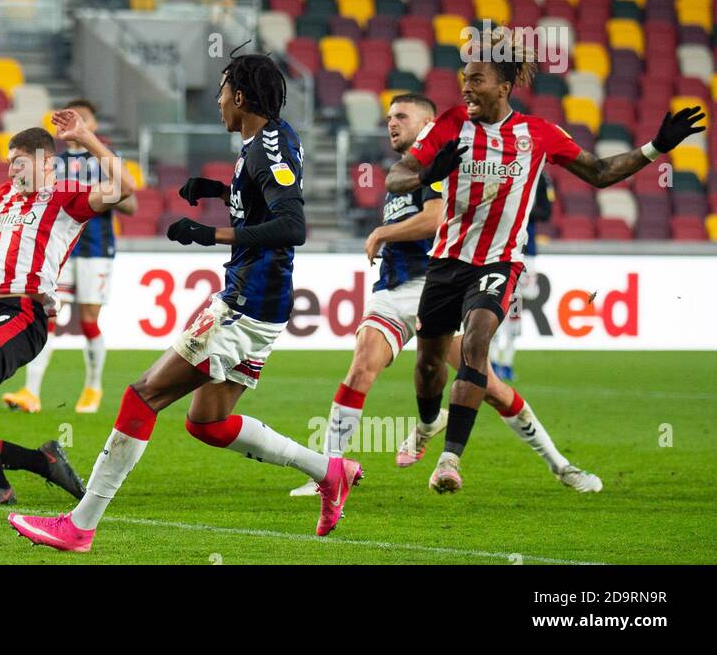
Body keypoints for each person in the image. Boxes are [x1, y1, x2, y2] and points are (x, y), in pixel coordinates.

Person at [9, 53, 359, 555]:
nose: (218, 102)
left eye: (221, 91)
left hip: (246, 302)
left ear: (240, 96)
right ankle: (328, 471)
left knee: (142, 395)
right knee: (208, 422)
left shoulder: (267, 150)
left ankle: (80, 526)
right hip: (260, 302)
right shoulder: (268, 140)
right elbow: (268, 196)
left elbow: (293, 226)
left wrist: (208, 232)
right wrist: (219, 190)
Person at [385, 26, 704, 492]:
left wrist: (656, 148)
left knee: (476, 346)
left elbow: (598, 172)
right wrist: (424, 173)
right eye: (464, 78)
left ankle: (449, 460)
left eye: (476, 79)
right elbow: (398, 174)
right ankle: (429, 422)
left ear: (503, 86)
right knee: (430, 364)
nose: (466, 87)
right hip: (447, 260)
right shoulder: (451, 124)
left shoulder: (538, 134)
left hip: (500, 262)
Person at [287, 94, 600, 497]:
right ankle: (328, 474)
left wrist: (383, 232)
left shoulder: (443, 164)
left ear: (430, 123)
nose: (392, 123)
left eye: (402, 116)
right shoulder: (406, 172)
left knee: (491, 388)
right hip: (393, 289)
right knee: (361, 366)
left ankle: (561, 465)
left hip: (439, 285)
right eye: (388, 118)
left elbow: (435, 217)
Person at [0, 111, 136, 506]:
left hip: (22, 313)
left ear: (46, 162)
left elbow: (127, 187)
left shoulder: (67, 197)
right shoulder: (3, 196)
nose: (11, 168)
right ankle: (43, 461)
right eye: (9, 161)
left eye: (19, 161)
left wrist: (85, 138)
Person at [2, 98, 136, 415]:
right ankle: (31, 391)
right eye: (69, 118)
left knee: (88, 320)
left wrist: (100, 193)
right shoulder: (54, 164)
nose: (75, 123)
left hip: (96, 249)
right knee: (46, 316)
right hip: (58, 249)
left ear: (94, 126)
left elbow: (132, 206)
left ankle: (93, 387)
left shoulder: (105, 160)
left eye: (83, 118)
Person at [489, 174, 550, 381]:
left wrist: (521, 209)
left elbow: (546, 211)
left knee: (516, 303)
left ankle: (507, 360)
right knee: (496, 300)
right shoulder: (505, 170)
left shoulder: (540, 178)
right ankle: (494, 360)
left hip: (526, 252)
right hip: (499, 249)